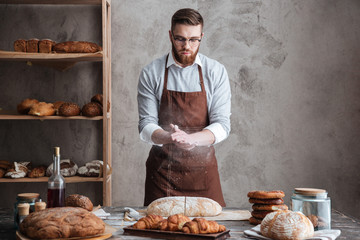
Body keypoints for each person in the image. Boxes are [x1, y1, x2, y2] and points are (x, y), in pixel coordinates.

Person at [137, 8, 231, 207]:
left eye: (194, 39)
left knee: (208, 232)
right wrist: (168, 137)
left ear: (201, 37)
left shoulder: (215, 71)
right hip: (162, 176)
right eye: (180, 39)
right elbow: (146, 124)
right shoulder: (151, 72)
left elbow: (222, 125)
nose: (187, 46)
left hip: (203, 174)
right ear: (170, 35)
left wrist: (191, 140)